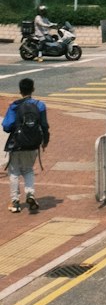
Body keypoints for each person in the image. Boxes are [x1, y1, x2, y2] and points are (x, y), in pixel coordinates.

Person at [3, 77, 50, 214]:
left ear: (20, 91)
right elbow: (45, 126)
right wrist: (45, 142)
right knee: (28, 170)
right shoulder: (40, 105)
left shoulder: (15, 105)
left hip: (17, 144)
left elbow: (6, 126)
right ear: (33, 89)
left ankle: (15, 202)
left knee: (14, 172)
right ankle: (30, 194)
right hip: (33, 144)